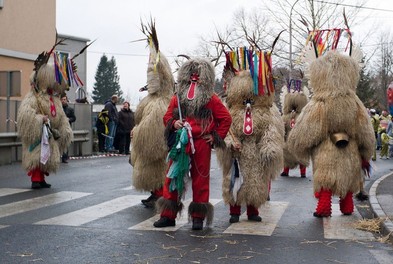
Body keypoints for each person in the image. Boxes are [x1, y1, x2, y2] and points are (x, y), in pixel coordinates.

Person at [287, 50, 376, 218]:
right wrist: (366, 151)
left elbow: (307, 128)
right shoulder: (355, 103)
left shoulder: (320, 102)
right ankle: (347, 206)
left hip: (326, 147)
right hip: (351, 149)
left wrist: (299, 147)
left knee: (326, 178)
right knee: (348, 178)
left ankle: (323, 208)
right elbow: (365, 130)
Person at [153, 58, 232, 230]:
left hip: (201, 144)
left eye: (198, 75)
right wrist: (174, 124)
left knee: (200, 180)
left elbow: (226, 118)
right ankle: (168, 215)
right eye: (191, 75)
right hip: (181, 143)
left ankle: (198, 217)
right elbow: (167, 117)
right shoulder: (178, 97)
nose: (194, 79)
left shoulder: (212, 99)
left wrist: (215, 136)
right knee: (172, 177)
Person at [217, 47, 284, 224]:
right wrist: (230, 142)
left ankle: (253, 210)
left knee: (255, 182)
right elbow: (225, 131)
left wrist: (269, 146)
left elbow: (270, 131)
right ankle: (235, 211)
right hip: (237, 155)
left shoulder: (264, 112)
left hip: (255, 153)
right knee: (234, 183)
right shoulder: (231, 112)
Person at [130, 22, 175, 209]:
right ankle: (154, 193)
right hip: (147, 150)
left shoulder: (162, 102)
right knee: (152, 170)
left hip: (158, 148)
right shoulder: (150, 99)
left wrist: (138, 132)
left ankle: (159, 194)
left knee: (159, 169)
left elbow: (152, 129)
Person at [17, 48, 74, 189]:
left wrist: (64, 127)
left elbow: (61, 116)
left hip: (50, 134)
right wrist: (39, 119)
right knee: (36, 156)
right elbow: (25, 114)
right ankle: (36, 179)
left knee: (46, 157)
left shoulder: (55, 99)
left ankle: (41, 178)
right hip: (38, 134)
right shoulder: (33, 97)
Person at [61, 95, 76, 163]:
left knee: (66, 143)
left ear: (67, 100)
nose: (63, 101)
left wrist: (69, 119)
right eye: (62, 99)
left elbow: (74, 118)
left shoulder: (70, 109)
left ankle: (65, 157)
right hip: (59, 128)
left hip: (67, 128)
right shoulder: (59, 109)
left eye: (64, 99)